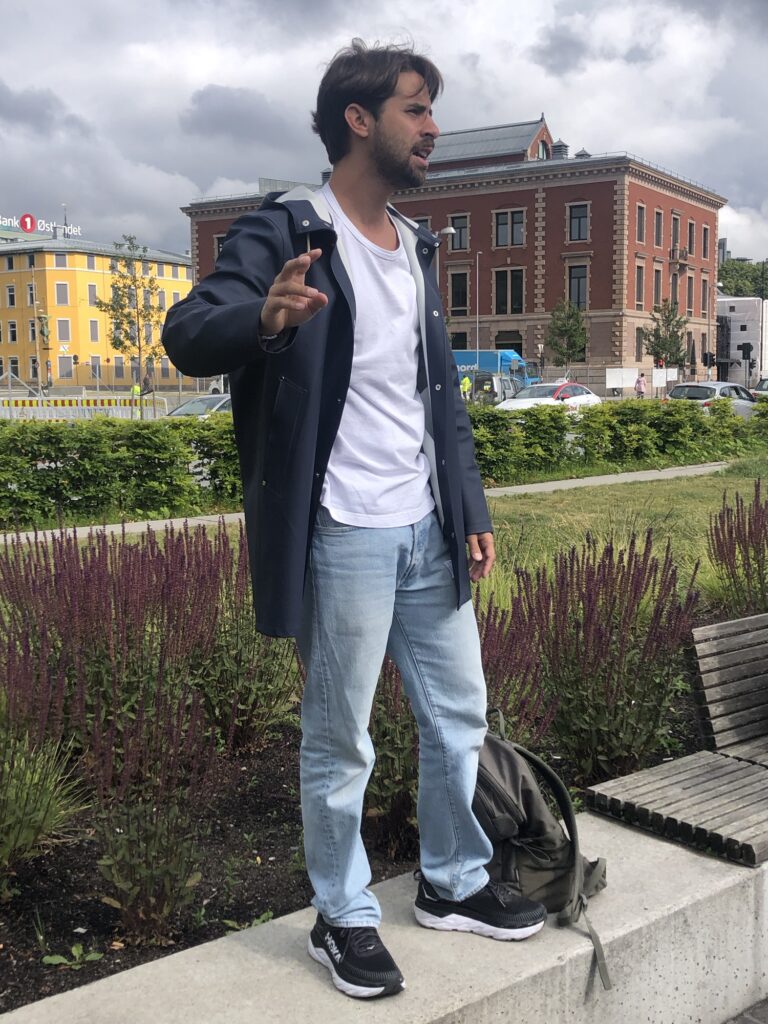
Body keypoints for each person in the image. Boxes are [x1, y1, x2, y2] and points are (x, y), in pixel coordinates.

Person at [162, 39, 546, 1001]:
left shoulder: (414, 245)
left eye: (431, 109)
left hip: (427, 528)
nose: (433, 128)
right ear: (359, 119)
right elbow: (188, 333)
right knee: (342, 740)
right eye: (417, 108)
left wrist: (470, 506)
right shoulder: (289, 227)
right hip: (344, 532)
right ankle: (341, 914)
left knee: (459, 717)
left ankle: (452, 882)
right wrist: (265, 318)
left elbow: (437, 398)